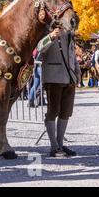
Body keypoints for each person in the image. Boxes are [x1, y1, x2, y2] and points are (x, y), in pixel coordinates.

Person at [37, 27, 81, 157]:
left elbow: (71, 54)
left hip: (69, 78)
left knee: (66, 112)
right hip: (53, 77)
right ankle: (54, 147)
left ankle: (60, 144)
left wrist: (77, 71)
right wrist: (50, 36)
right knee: (53, 111)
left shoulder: (69, 31)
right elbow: (39, 48)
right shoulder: (47, 29)